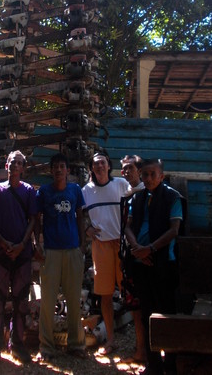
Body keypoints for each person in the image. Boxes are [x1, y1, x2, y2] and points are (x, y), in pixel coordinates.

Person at [125, 158, 184, 375]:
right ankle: (153, 365)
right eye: (145, 174)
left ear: (161, 175)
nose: (148, 178)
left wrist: (150, 249)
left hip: (163, 264)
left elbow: (174, 230)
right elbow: (129, 227)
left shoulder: (172, 197)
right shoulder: (137, 198)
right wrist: (137, 248)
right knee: (147, 313)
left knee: (166, 314)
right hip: (141, 263)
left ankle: (170, 365)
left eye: (153, 174)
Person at [0, 150, 37, 365]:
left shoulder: (29, 192)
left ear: (24, 168)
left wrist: (23, 244)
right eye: (11, 162)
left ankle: (17, 344)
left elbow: (33, 219)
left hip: (22, 254)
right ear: (6, 166)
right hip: (0, 254)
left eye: (19, 163)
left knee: (21, 303)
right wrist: (3, 243)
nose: (15, 166)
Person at [35, 153, 87, 361]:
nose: (58, 170)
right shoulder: (44, 192)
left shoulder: (75, 190)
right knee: (47, 301)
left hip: (73, 250)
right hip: (51, 252)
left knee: (74, 300)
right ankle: (46, 347)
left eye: (62, 166)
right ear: (51, 170)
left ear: (67, 170)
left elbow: (81, 217)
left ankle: (76, 344)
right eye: (55, 166)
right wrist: (37, 244)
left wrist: (82, 245)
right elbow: (37, 219)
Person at [82, 151, 130, 355]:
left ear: (109, 166)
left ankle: (144, 342)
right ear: (91, 168)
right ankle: (110, 340)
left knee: (131, 293)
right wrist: (87, 229)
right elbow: (81, 215)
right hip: (100, 246)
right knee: (105, 295)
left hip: (122, 244)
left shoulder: (121, 184)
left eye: (102, 163)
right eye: (95, 164)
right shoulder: (86, 191)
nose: (99, 166)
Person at [119, 155, 146, 365]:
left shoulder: (148, 193)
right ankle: (141, 350)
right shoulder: (128, 195)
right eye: (124, 169)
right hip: (131, 256)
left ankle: (150, 351)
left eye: (131, 168)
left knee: (149, 306)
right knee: (136, 306)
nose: (127, 172)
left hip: (148, 258)